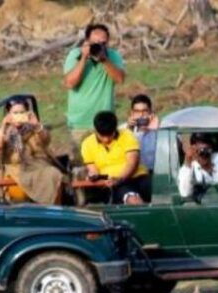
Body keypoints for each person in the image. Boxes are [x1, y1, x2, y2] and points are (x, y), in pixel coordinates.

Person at [63, 24, 126, 157]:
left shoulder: (113, 56)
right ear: (86, 41)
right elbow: (69, 83)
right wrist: (83, 59)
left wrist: (104, 60)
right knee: (81, 166)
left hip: (105, 123)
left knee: (109, 161)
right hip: (80, 123)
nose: (98, 46)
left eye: (102, 43)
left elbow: (120, 79)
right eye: (95, 43)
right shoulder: (75, 55)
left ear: (107, 42)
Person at [0, 96, 65, 205]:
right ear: (8, 114)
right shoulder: (3, 132)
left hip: (37, 166)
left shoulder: (33, 128)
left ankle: (53, 209)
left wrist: (36, 125)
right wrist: (4, 126)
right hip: (16, 169)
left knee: (53, 174)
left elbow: (46, 140)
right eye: (15, 113)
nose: (18, 116)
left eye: (21, 112)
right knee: (48, 175)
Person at [80, 111, 149, 205]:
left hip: (137, 178)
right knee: (133, 200)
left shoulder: (127, 135)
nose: (106, 139)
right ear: (95, 130)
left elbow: (132, 163)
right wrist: (94, 176)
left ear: (115, 129)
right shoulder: (87, 144)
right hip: (113, 185)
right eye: (102, 136)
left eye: (109, 135)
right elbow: (93, 170)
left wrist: (119, 178)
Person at [177, 133, 218, 199]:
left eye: (207, 149)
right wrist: (188, 163)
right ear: (193, 148)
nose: (204, 153)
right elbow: (185, 193)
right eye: (200, 150)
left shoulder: (217, 158)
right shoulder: (189, 167)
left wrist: (209, 167)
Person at [123, 94, 159, 172]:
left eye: (145, 111)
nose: (141, 115)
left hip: (154, 172)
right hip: (131, 173)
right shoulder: (123, 129)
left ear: (150, 112)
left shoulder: (158, 128)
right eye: (137, 112)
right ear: (132, 113)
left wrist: (155, 129)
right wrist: (129, 130)